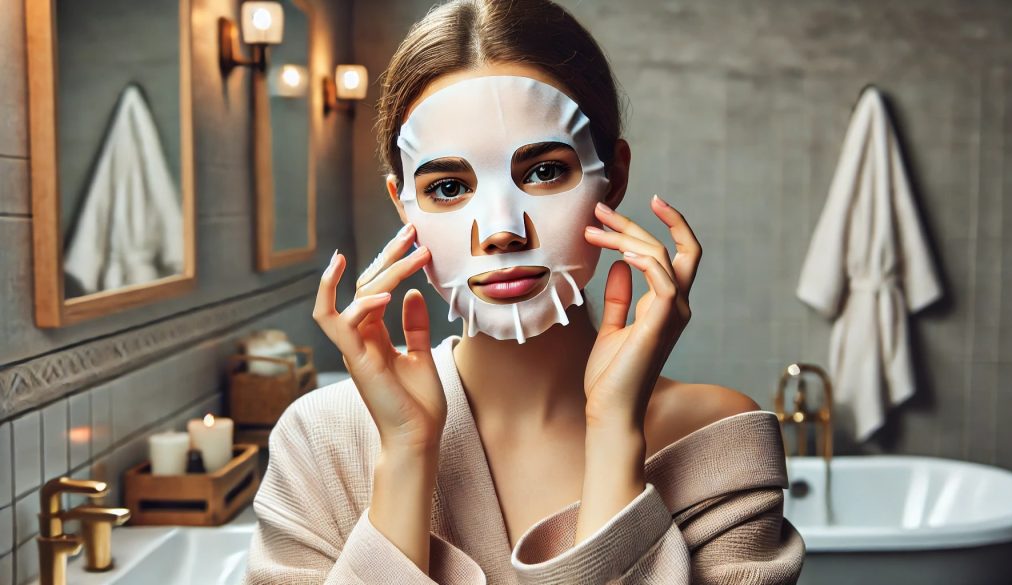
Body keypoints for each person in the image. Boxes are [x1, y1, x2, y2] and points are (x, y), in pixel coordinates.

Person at [243, 0, 805, 583]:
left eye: (543, 172)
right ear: (402, 204)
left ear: (614, 177)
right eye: (449, 186)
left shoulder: (718, 443)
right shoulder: (320, 442)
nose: (502, 230)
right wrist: (406, 458)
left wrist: (614, 432)